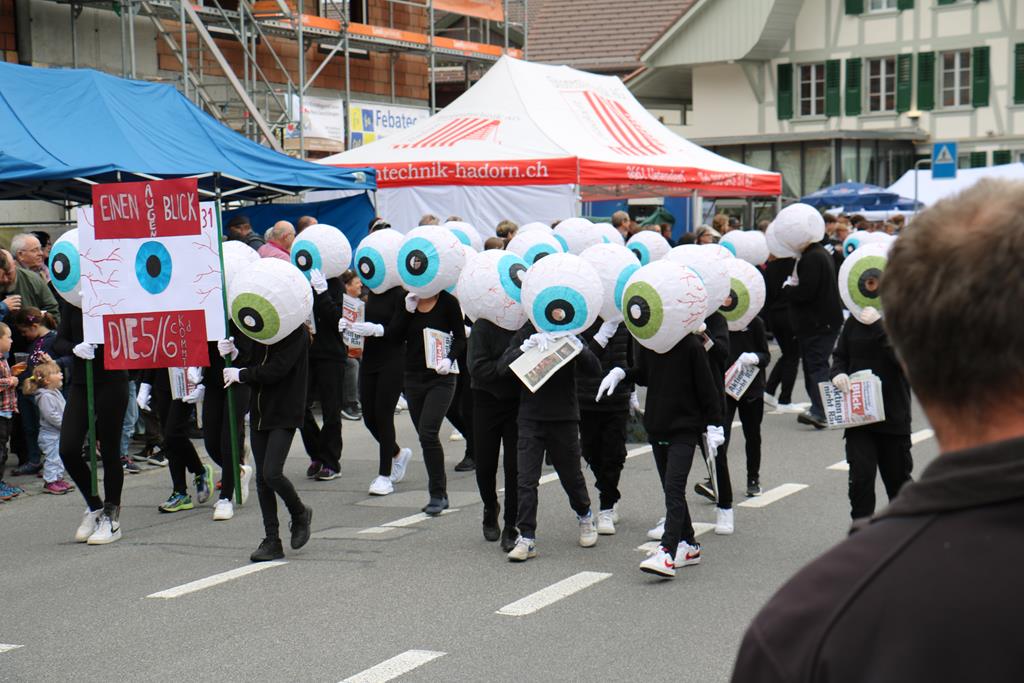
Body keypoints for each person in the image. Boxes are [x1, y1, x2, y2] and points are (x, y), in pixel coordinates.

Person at [730, 178, 1024, 683]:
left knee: (896, 475)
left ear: (911, 358)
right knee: (864, 477)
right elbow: (839, 353)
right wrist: (842, 371)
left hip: (891, 433)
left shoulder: (804, 628)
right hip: (864, 418)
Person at [498, 321, 603, 563]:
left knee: (570, 475)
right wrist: (524, 348)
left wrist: (579, 347)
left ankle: (585, 515)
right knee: (526, 479)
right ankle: (527, 537)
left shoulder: (570, 329)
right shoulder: (527, 330)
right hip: (530, 417)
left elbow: (594, 369)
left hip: (563, 416)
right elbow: (502, 368)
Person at [221, 324, 313, 563]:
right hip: (260, 411)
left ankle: (299, 512)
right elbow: (253, 360)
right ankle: (272, 539)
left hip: (285, 410)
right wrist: (234, 354)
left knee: (272, 473)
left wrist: (241, 374)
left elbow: (277, 369)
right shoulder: (263, 328)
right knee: (263, 480)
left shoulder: (297, 333)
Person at [56, 304, 130, 545]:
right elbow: (58, 341)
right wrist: (74, 348)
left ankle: (112, 516)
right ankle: (95, 505)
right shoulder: (72, 301)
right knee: (68, 448)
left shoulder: (115, 299)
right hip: (81, 381)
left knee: (109, 449)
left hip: (112, 379)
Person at [396, 288, 466, 515]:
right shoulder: (407, 300)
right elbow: (395, 336)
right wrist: (406, 311)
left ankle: (437, 493)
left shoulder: (447, 302)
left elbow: (460, 337)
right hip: (413, 377)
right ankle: (439, 493)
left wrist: (449, 358)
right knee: (426, 438)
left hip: (441, 376)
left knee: (428, 432)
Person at [782, 210, 843, 429]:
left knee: (816, 366)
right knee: (814, 366)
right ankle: (820, 408)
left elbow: (806, 292)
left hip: (817, 323)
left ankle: (822, 410)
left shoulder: (811, 258)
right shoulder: (820, 254)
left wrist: (788, 289)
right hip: (823, 321)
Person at [577, 318, 632, 535]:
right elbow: (583, 360)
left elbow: (632, 358)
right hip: (586, 396)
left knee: (613, 454)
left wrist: (632, 391)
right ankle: (609, 491)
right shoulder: (584, 318)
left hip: (617, 396)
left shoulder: (624, 321)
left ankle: (606, 506)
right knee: (590, 451)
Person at [139, 369, 214, 514]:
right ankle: (180, 492)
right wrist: (146, 383)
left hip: (186, 375)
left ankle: (199, 470)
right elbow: (153, 349)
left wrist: (201, 377)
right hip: (161, 377)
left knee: (173, 432)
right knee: (168, 438)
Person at [199, 330, 254, 521]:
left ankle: (225, 498)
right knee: (211, 441)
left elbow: (252, 346)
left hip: (238, 378)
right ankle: (238, 470)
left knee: (228, 437)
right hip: (214, 378)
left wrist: (237, 353)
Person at [300, 269, 346, 482]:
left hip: (331, 354)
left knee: (331, 409)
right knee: (300, 407)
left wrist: (322, 292)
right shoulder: (300, 282)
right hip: (306, 354)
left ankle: (331, 461)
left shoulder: (335, 284)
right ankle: (317, 452)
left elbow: (337, 319)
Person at [22, 360, 72, 494]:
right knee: (53, 458)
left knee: (60, 457)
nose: (61, 374)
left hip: (58, 433)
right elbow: (51, 415)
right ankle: (50, 481)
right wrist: (66, 424)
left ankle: (58, 478)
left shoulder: (55, 392)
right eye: (56, 372)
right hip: (50, 435)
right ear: (47, 380)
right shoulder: (44, 396)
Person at [762, 255, 800, 410]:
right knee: (793, 356)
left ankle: (769, 390)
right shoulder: (794, 264)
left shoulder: (770, 266)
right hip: (789, 314)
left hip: (774, 315)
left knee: (787, 354)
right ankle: (785, 399)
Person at [340, 270, 363, 421]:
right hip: (341, 348)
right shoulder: (340, 303)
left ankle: (364, 399)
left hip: (357, 345)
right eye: (357, 282)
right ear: (347, 286)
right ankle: (349, 403)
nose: (361, 285)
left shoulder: (362, 304)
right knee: (352, 363)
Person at [0, 324, 20, 500]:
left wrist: (12, 372)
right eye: (8, 337)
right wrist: (10, 380)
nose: (12, 340)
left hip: (6, 411)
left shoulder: (3, 358)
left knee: (4, 450)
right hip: (0, 413)